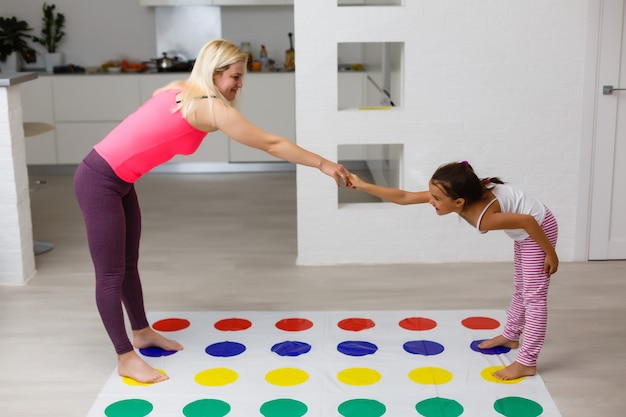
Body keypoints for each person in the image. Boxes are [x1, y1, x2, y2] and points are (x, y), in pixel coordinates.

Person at [73, 39, 351, 384]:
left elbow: (162, 96)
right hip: (98, 180)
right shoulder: (208, 107)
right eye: (235, 76)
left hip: (120, 181)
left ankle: (142, 332)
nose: (239, 84)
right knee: (111, 274)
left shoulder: (183, 89)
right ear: (215, 73)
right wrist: (322, 163)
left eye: (241, 77)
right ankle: (125, 356)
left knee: (128, 265)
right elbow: (271, 143)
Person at [348, 161, 558, 380]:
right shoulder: (454, 194)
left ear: (459, 202)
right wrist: (363, 186)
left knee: (534, 297)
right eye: (431, 195)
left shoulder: (483, 218)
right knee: (521, 288)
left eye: (436, 199)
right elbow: (405, 197)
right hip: (524, 234)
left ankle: (527, 362)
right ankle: (511, 336)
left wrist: (550, 253)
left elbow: (528, 220)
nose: (431, 201)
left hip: (539, 232)